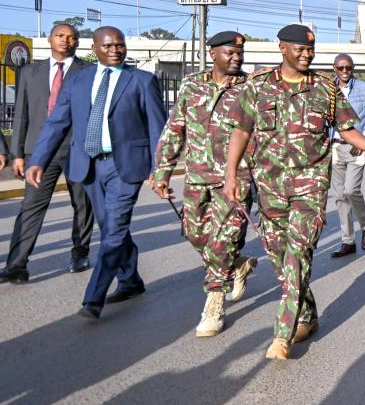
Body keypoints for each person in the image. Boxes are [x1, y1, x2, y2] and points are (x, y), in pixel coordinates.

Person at [223, 25, 365, 360]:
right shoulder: (257, 88)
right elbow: (241, 133)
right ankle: (307, 315)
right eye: (299, 50)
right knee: (280, 257)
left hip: (310, 186)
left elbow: (347, 129)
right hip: (270, 188)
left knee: (297, 254)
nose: (307, 55)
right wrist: (231, 175)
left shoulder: (325, 87)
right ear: (281, 48)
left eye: (310, 50)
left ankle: (282, 335)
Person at [26, 26, 167, 320]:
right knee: (110, 226)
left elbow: (158, 129)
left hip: (124, 165)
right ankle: (130, 280)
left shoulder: (142, 80)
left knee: (113, 229)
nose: (116, 50)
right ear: (95, 47)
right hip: (87, 164)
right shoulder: (78, 80)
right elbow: (57, 123)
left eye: (120, 45)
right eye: (109, 45)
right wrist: (38, 159)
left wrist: (160, 169)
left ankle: (94, 298)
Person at [150, 31, 259, 338]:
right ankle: (235, 264)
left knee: (223, 239)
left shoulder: (251, 88)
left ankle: (214, 301)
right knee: (195, 233)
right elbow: (175, 128)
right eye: (230, 52)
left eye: (240, 53)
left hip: (236, 178)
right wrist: (163, 171)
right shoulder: (191, 85)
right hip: (197, 174)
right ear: (213, 54)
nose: (236, 57)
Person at [1, 24, 94, 283]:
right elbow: (21, 115)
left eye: (71, 37)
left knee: (82, 204)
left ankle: (80, 251)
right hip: (40, 152)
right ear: (50, 39)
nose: (66, 40)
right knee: (30, 206)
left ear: (77, 42)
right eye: (60, 36)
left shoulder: (88, 72)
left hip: (78, 149)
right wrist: (17, 154)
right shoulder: (30, 72)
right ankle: (17, 264)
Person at [327, 54, 365, 258]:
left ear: (353, 68)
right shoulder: (328, 89)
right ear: (335, 69)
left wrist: (364, 140)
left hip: (356, 147)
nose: (344, 72)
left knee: (351, 191)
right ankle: (347, 241)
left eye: (348, 68)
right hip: (334, 147)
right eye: (340, 68)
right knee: (340, 197)